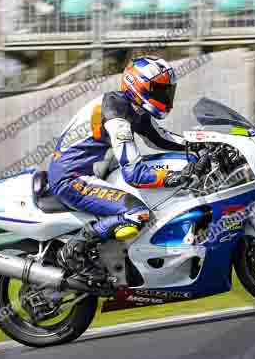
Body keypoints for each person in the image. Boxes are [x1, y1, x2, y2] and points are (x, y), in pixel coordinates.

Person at [47, 56, 209, 283]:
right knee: (137, 214)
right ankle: (74, 252)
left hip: (90, 173)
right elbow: (135, 174)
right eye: (160, 90)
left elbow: (160, 138)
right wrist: (177, 177)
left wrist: (203, 145)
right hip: (71, 178)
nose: (165, 96)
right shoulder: (116, 114)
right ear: (140, 85)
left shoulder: (133, 108)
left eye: (167, 91)